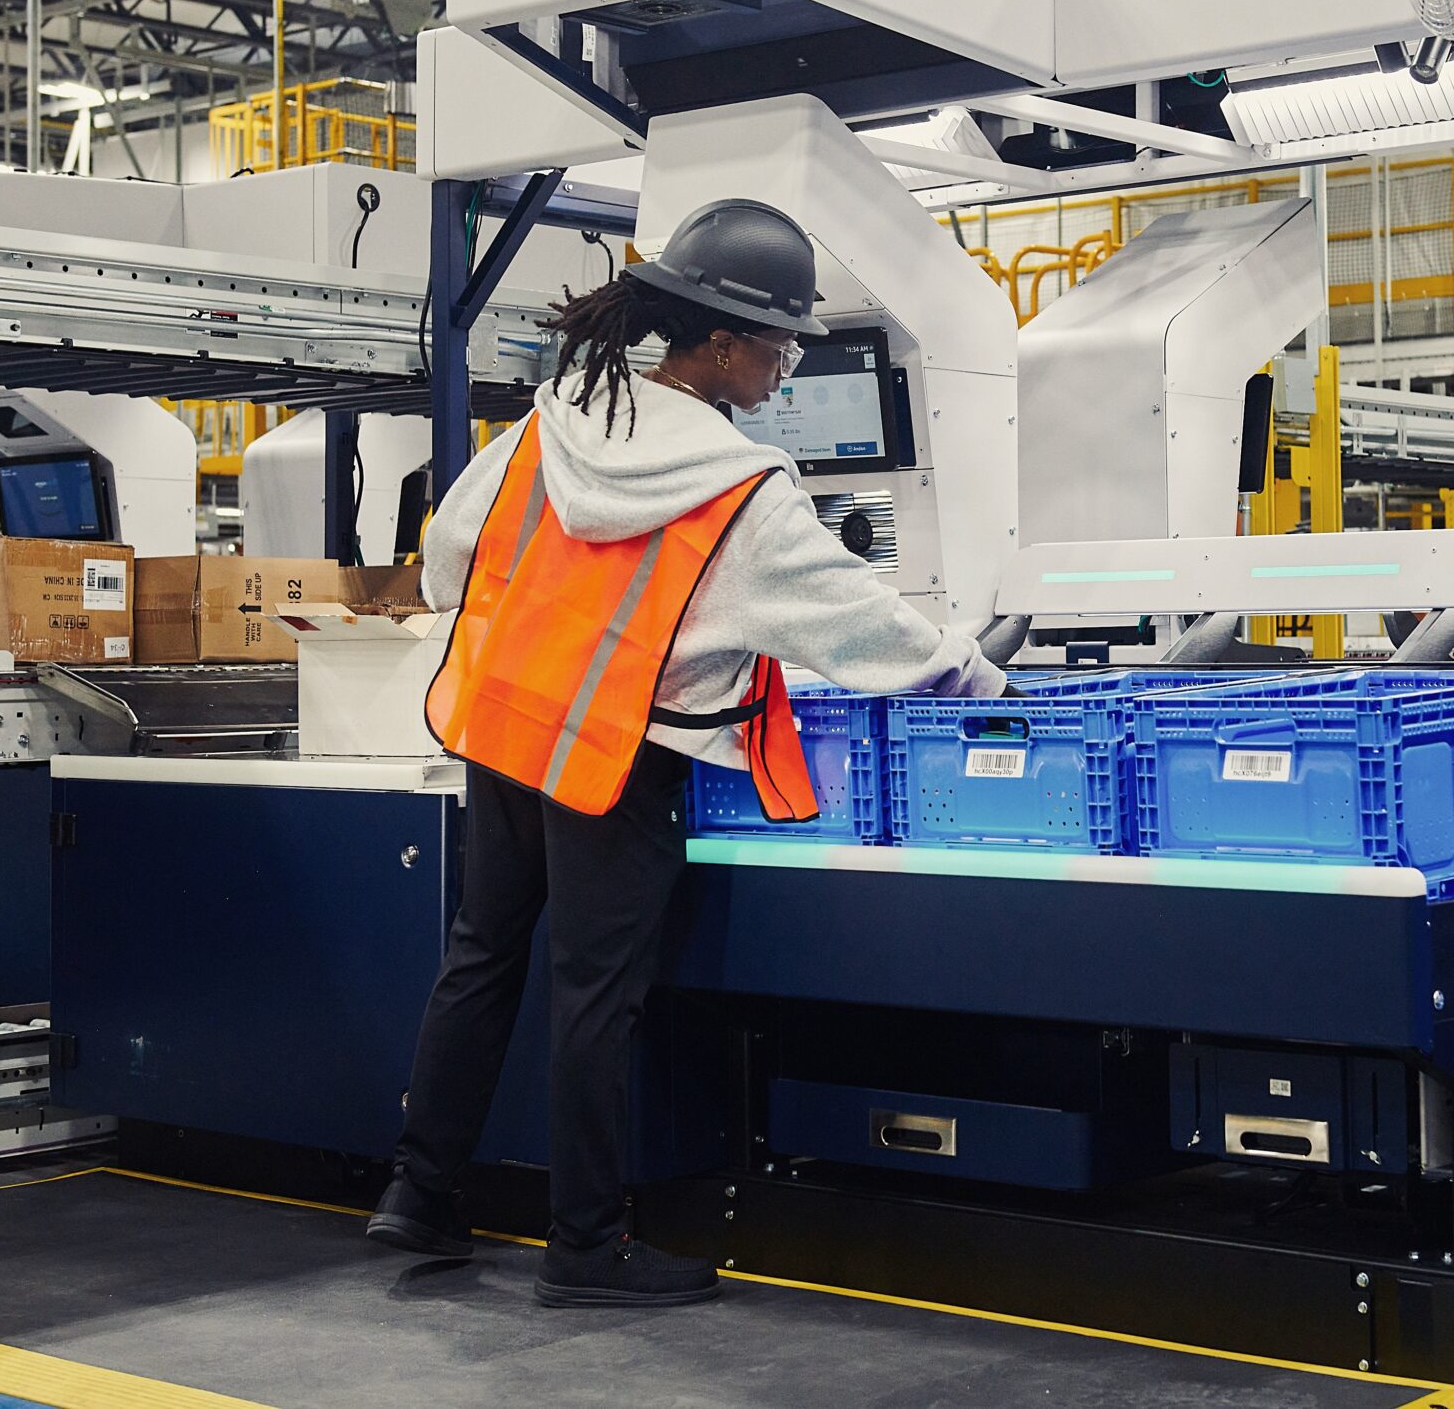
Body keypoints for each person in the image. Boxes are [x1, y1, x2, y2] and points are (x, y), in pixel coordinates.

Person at [365, 197, 1004, 1308]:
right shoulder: (739, 483)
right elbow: (861, 624)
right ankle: (584, 1248)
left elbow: (445, 559)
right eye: (782, 342)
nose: (788, 364)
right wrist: (978, 674)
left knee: (480, 956)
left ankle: (420, 1194)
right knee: (592, 996)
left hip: (511, 724)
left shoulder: (547, 424)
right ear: (721, 341)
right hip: (622, 752)